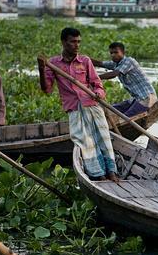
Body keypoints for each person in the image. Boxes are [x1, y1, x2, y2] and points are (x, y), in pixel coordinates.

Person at [38, 27, 120, 182]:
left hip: (92, 104)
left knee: (104, 139)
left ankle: (112, 173)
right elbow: (47, 90)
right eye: (73, 42)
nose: (77, 45)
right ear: (63, 42)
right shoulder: (53, 63)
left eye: (78, 42)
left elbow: (98, 84)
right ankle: (99, 175)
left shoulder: (85, 61)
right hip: (74, 108)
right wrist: (41, 69)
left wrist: (98, 93)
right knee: (85, 142)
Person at [92, 42, 157, 117]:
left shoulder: (129, 61)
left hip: (147, 99)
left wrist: (93, 78)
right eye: (111, 53)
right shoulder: (116, 64)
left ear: (123, 53)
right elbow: (99, 63)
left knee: (124, 118)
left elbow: (114, 74)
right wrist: (83, 58)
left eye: (116, 52)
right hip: (136, 99)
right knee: (109, 109)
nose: (113, 55)